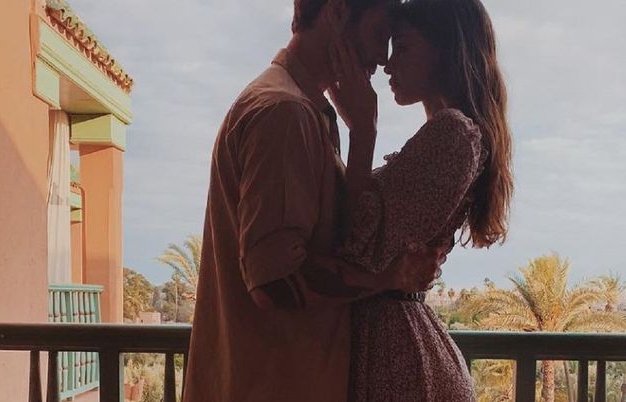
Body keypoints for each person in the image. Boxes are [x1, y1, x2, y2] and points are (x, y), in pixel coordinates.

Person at [182, 1, 449, 401]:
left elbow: (340, 240)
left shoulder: (305, 110)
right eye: (379, 33)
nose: (382, 57)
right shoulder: (284, 113)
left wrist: (364, 136)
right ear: (338, 12)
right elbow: (276, 282)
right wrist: (390, 278)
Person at [327, 0, 514, 400]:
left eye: (403, 47)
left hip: (397, 362)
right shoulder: (450, 135)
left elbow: (355, 245)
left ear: (446, 51)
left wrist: (363, 133)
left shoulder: (454, 135)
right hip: (396, 351)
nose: (388, 64)